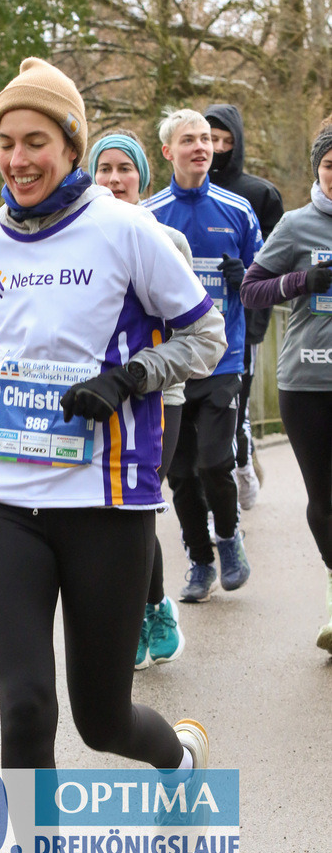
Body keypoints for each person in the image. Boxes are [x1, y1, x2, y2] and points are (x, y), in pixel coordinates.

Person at [0, 59, 227, 853]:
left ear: (68, 145)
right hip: (5, 499)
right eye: (4, 143)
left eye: (35, 141)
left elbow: (205, 337)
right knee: (25, 706)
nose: (17, 159)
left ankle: (177, 764)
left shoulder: (128, 231)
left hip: (106, 501)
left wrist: (127, 378)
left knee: (99, 719)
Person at [145, 108, 262, 603]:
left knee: (217, 461)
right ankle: (199, 560)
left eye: (205, 140)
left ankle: (229, 538)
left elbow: (263, 280)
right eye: (188, 140)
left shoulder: (238, 210)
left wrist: (244, 281)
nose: (200, 147)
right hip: (172, 363)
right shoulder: (149, 216)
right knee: (181, 472)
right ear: (168, 152)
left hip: (224, 358)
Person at [88, 131, 190, 670]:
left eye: (124, 169)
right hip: (94, 397)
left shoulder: (167, 240)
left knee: (138, 506)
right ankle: (136, 610)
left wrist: (137, 373)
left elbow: (188, 331)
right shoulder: (80, 240)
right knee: (107, 513)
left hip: (156, 396)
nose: (113, 179)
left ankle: (151, 610)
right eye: (103, 169)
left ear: (143, 179)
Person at [241, 124, 332, 653]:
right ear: (318, 168)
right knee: (323, 499)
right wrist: (302, 282)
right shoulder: (297, 226)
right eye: (330, 166)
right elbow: (251, 290)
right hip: (308, 381)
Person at [204, 104, 284, 509]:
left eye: (225, 142)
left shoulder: (260, 194)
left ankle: (242, 472)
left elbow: (278, 258)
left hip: (244, 319)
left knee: (236, 403)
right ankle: (209, 485)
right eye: (209, 139)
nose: (216, 149)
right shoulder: (176, 198)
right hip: (193, 322)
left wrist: (249, 271)